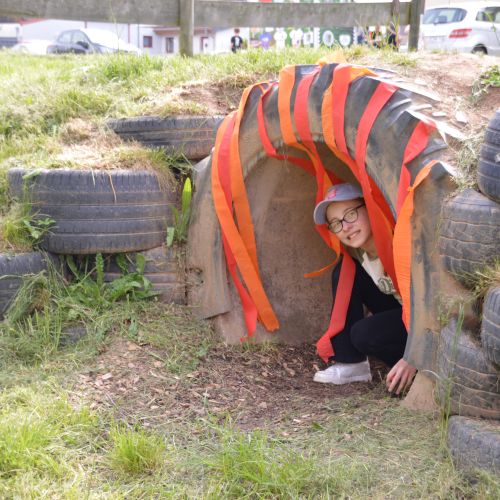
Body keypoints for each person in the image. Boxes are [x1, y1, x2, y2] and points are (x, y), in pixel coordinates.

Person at [312, 183, 416, 394]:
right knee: (344, 270)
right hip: (402, 313)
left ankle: (419, 369)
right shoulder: (359, 255)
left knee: (364, 334)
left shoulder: (401, 242)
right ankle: (351, 363)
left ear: (369, 207)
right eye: (336, 223)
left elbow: (432, 304)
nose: (345, 227)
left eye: (350, 214)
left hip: (425, 324)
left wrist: (415, 355)